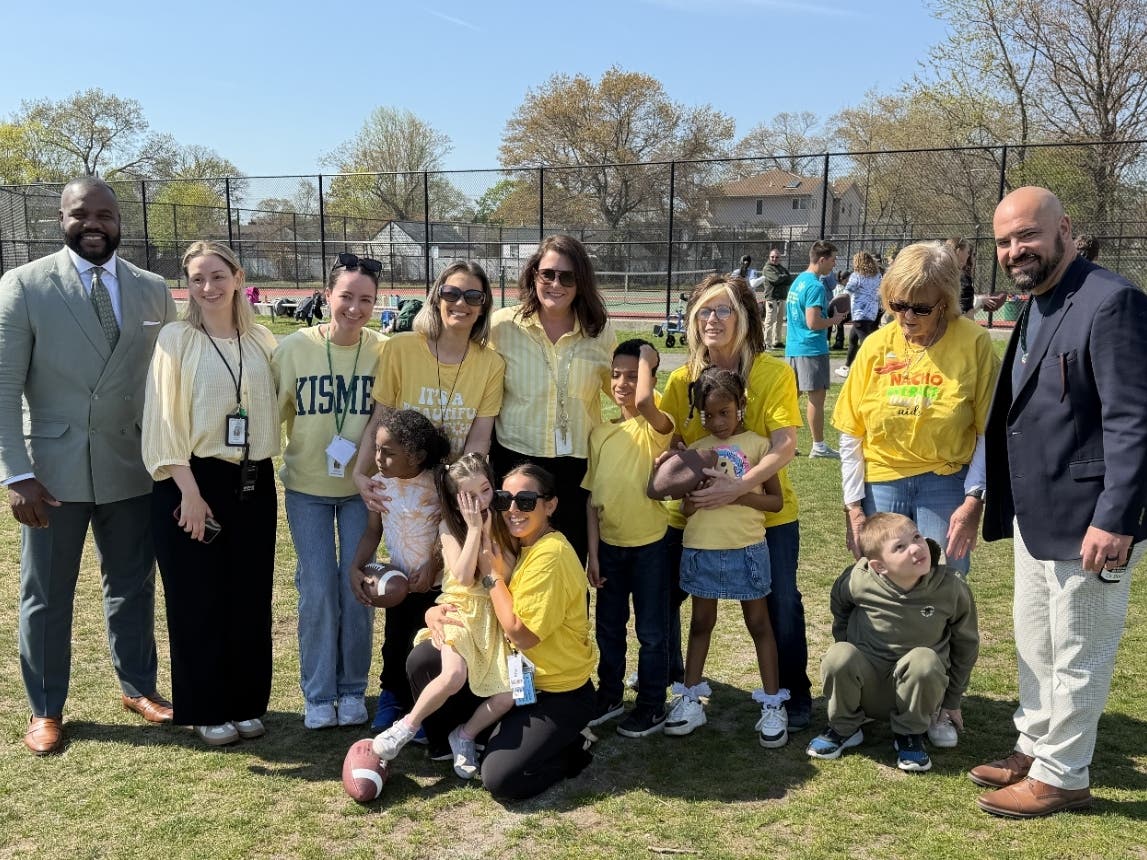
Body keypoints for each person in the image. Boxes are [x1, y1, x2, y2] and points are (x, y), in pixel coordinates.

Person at [972, 186, 1147, 819]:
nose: (1015, 250)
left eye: (1027, 235)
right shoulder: (1038, 302)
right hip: (1035, 512)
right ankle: (1037, 746)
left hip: (1090, 520)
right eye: (1004, 241)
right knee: (1036, 640)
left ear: (1064, 230)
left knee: (1079, 650)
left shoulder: (1112, 301)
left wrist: (1116, 517)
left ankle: (1064, 775)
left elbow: (1133, 419)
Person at [0, 177, 178, 755]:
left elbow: (169, 382)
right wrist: (16, 473)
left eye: (105, 214)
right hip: (51, 475)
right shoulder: (24, 286)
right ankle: (45, 707)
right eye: (81, 214)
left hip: (132, 465)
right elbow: (4, 386)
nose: (94, 224)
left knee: (133, 585)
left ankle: (138, 687)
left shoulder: (153, 290)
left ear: (120, 221)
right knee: (47, 594)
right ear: (61, 219)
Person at [352, 260, 504, 731]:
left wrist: (463, 495)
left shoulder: (490, 363)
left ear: (484, 306)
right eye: (452, 293)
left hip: (452, 495)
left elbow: (479, 440)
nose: (461, 303)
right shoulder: (401, 348)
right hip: (405, 495)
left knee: (448, 599)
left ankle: (443, 702)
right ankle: (394, 695)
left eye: (473, 296)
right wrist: (360, 472)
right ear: (436, 297)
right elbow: (380, 418)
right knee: (403, 606)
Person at [142, 241, 279, 746]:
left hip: (254, 480)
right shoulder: (176, 339)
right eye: (197, 278)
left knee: (248, 596)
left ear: (238, 278)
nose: (208, 287)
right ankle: (205, 707)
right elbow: (163, 419)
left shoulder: (261, 339)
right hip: (193, 480)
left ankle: (244, 701)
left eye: (218, 276)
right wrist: (190, 493)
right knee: (197, 597)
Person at [660, 273, 809, 730]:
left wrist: (738, 488)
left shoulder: (774, 373)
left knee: (780, 606)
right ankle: (672, 682)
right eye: (703, 310)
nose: (712, 319)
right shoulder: (682, 378)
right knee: (665, 597)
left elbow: (784, 445)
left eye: (723, 309)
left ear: (745, 318)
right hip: (697, 522)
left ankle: (790, 697)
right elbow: (670, 442)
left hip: (763, 521)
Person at [407, 463, 597, 800]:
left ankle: (571, 747)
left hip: (555, 691)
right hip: (512, 676)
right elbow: (467, 590)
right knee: (424, 659)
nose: (513, 509)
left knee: (500, 779)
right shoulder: (516, 540)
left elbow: (520, 633)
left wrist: (492, 575)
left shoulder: (550, 556)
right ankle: (463, 740)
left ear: (550, 505)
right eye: (504, 499)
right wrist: (434, 610)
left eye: (526, 501)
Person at [833, 242, 1000, 586]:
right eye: (898, 305)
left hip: (945, 479)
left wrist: (974, 500)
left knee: (943, 581)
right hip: (881, 478)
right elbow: (851, 431)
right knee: (881, 582)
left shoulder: (974, 344)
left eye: (921, 308)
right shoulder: (876, 345)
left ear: (945, 302)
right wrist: (853, 506)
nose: (907, 317)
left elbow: (989, 429)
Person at [272, 253, 387, 729]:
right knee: (318, 587)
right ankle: (319, 694)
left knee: (356, 585)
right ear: (326, 296)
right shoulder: (294, 348)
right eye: (346, 297)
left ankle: (352, 688)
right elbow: (272, 414)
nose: (355, 308)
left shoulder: (384, 351)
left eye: (367, 300)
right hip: (307, 489)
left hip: (363, 491)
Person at [370, 454, 516, 779]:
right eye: (469, 497)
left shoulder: (504, 522)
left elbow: (505, 572)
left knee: (508, 695)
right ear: (455, 500)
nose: (480, 502)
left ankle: (464, 735)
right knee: (453, 676)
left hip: (491, 617)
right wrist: (474, 531)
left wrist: (488, 534)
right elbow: (463, 577)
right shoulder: (449, 527)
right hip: (458, 611)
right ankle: (406, 727)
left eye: (485, 490)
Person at [663, 368, 788, 746]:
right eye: (708, 414)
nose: (717, 421)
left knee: (759, 624)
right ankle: (690, 698)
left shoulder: (760, 446)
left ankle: (772, 705)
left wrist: (737, 493)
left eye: (725, 412)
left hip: (747, 548)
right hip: (702, 548)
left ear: (741, 405)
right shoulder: (696, 450)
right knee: (701, 623)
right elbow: (686, 509)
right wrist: (693, 493)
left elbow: (775, 502)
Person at [807, 513, 979, 773]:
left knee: (924, 660)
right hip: (868, 688)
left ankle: (910, 734)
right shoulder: (858, 579)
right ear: (879, 566)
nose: (916, 548)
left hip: (918, 691)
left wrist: (952, 700)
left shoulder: (950, 586)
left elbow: (966, 645)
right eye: (900, 547)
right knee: (838, 655)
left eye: (917, 537)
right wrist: (846, 645)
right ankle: (844, 727)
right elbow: (840, 606)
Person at [489, 234, 615, 564]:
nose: (556, 284)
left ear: (581, 282)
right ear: (534, 275)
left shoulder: (599, 332)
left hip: (574, 468)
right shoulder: (503, 326)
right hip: (515, 461)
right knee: (512, 561)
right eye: (547, 274)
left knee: (567, 562)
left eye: (567, 277)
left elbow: (621, 389)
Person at [584, 339, 675, 738]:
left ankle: (652, 705)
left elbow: (643, 402)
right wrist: (593, 554)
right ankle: (610, 695)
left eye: (633, 376)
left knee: (652, 633)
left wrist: (647, 358)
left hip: (651, 547)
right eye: (616, 375)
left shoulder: (658, 424)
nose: (622, 383)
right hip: (609, 548)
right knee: (609, 627)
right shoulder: (600, 433)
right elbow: (591, 501)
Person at [349, 410, 448, 733]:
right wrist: (355, 566)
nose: (378, 458)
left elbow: (450, 531)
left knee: (428, 649)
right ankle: (391, 696)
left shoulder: (440, 482)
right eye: (377, 449)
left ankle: (426, 710)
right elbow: (372, 531)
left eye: (388, 452)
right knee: (394, 646)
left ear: (416, 455)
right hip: (399, 585)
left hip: (436, 588)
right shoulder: (379, 484)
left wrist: (433, 565)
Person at [785, 240, 846, 459]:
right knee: (816, 399)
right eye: (832, 260)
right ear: (822, 259)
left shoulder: (798, 281)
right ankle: (819, 447)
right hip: (811, 349)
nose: (834, 264)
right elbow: (813, 322)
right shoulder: (815, 286)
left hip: (794, 347)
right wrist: (834, 320)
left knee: (790, 399)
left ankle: (784, 444)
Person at [835, 251, 882, 379]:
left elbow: (848, 291)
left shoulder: (856, 276)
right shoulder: (877, 275)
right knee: (852, 339)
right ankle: (847, 367)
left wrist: (837, 303)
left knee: (866, 343)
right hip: (872, 312)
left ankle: (875, 369)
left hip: (859, 313)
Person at [946, 237, 1005, 319]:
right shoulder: (961, 278)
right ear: (959, 252)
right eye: (969, 253)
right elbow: (963, 310)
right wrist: (980, 301)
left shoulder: (943, 273)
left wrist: (979, 300)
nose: (969, 256)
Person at [759, 248, 793, 349]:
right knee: (770, 321)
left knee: (779, 321)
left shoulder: (781, 268)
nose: (774, 259)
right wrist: (783, 277)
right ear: (769, 257)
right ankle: (766, 343)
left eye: (777, 257)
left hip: (782, 298)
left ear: (780, 258)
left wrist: (782, 277)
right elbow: (775, 279)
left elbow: (789, 280)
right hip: (772, 298)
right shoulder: (767, 268)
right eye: (772, 257)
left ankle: (777, 341)